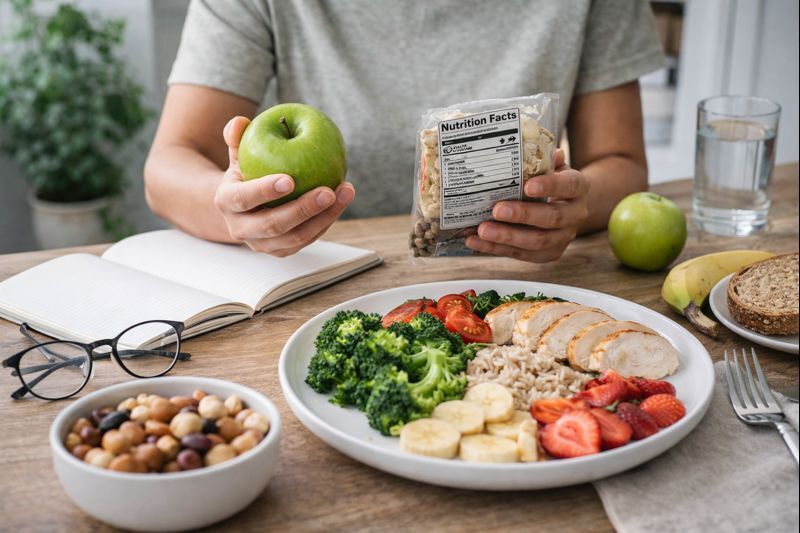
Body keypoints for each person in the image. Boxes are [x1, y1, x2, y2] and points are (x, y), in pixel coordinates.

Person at [145, 0, 663, 262]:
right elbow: (169, 164)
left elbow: (621, 163)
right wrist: (236, 210)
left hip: (517, 275)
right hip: (319, 274)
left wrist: (572, 205)